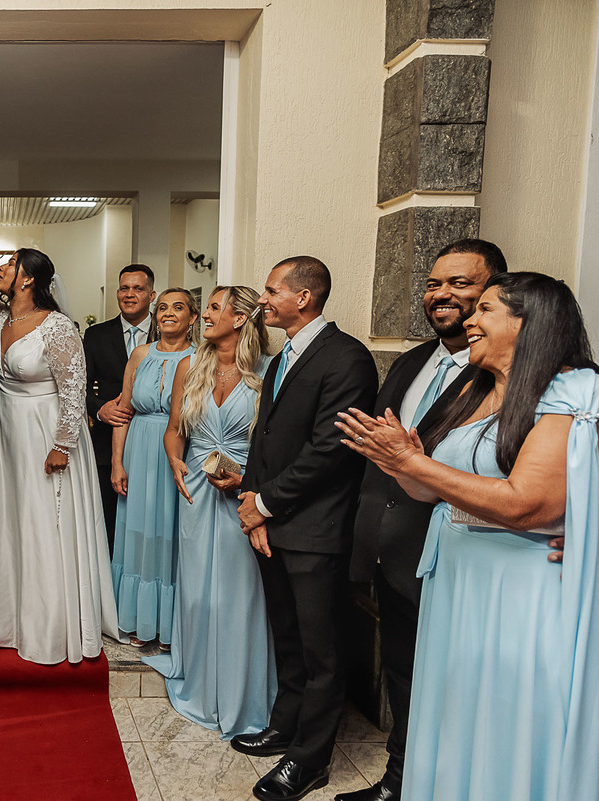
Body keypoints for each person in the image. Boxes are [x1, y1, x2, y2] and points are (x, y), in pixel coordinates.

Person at [338, 272, 598, 801]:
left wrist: (416, 463)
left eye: (485, 310)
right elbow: (432, 493)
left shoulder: (572, 389)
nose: (471, 321)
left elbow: (528, 503)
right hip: (456, 577)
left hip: (518, 584)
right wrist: (399, 463)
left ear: (530, 323)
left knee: (506, 711)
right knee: (457, 708)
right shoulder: (475, 388)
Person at [337, 238, 506, 801]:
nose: (442, 295)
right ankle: (402, 780)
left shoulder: (501, 376)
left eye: (461, 284)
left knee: (457, 683)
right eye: (435, 283)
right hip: (392, 549)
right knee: (404, 676)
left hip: (460, 553)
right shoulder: (411, 361)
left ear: (494, 295)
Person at [232, 256, 377, 801]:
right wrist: (251, 499)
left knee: (322, 651)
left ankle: (309, 760)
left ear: (304, 297)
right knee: (287, 637)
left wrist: (265, 504)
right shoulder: (281, 357)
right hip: (272, 522)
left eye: (272, 291)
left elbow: (330, 452)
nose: (264, 300)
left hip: (316, 529)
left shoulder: (347, 358)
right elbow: (264, 439)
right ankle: (284, 726)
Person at [0, 248, 121, 664]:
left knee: (43, 519)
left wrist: (62, 444)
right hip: (6, 431)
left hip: (44, 429)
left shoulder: (57, 327)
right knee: (10, 517)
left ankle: (50, 622)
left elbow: (73, 390)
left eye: (8, 263)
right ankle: (3, 616)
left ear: (28, 278)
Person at [144, 284, 276, 738]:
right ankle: (199, 678)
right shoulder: (190, 365)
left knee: (239, 593)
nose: (207, 314)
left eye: (216, 307)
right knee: (198, 589)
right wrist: (174, 460)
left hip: (242, 491)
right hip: (196, 488)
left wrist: (249, 479)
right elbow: (174, 429)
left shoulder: (269, 369)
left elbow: (275, 442)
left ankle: (240, 691)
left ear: (240, 318)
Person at [110, 288, 199, 648]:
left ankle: (168, 626)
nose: (167, 313)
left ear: (192, 318)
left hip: (181, 452)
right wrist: (117, 462)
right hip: (139, 450)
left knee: (173, 533)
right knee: (138, 532)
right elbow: (122, 412)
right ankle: (135, 619)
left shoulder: (202, 359)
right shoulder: (139, 354)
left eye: (178, 308)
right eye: (162, 307)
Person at [84, 264, 156, 552]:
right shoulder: (96, 335)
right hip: (106, 443)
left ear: (152, 295)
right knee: (110, 523)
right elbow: (80, 388)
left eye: (138, 289)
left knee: (151, 521)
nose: (129, 294)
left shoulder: (169, 333)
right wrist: (100, 410)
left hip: (155, 441)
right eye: (124, 288)